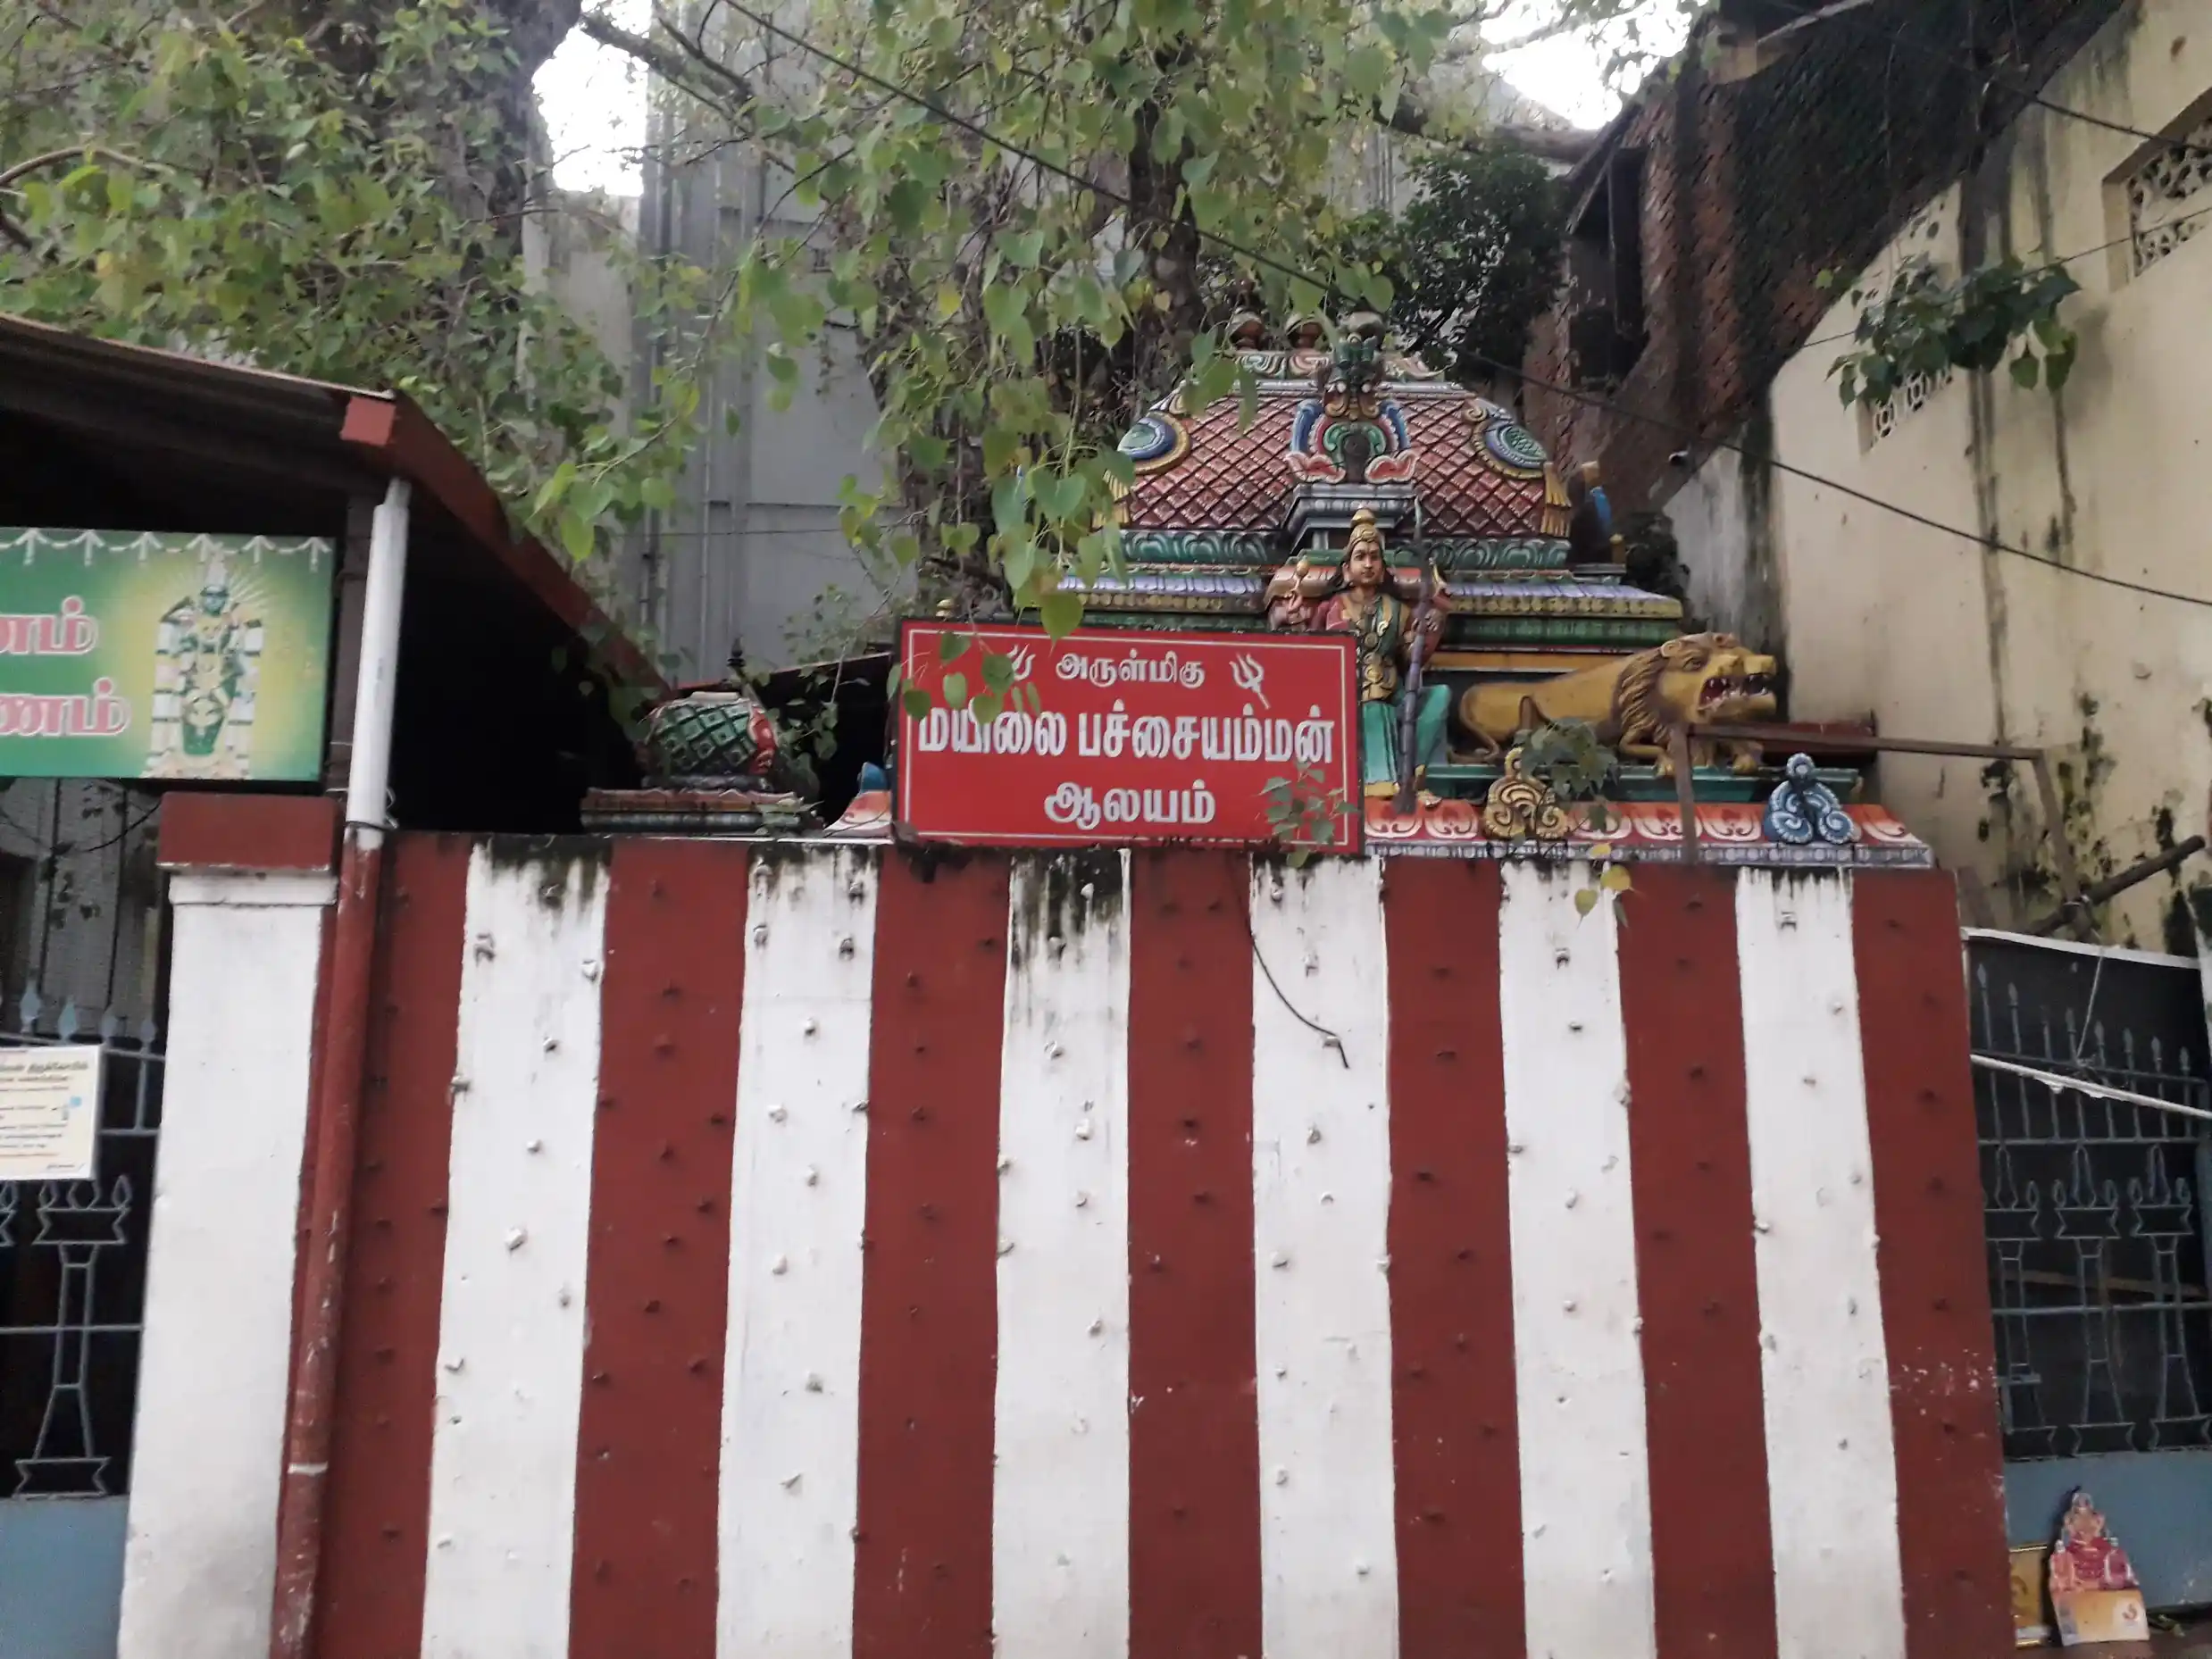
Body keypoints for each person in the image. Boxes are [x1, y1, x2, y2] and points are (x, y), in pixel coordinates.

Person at [1267, 509, 1448, 799]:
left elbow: (1411, 656)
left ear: (1382, 565)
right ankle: (1378, 786)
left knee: (1439, 696)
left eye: (1374, 557)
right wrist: (1295, 620)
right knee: (1372, 707)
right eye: (1360, 556)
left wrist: (1429, 629)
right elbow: (1309, 653)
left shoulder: (1398, 610)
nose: (1367, 564)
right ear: (1347, 568)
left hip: (1392, 691)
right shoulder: (1331, 608)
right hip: (1342, 695)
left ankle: (1414, 773)